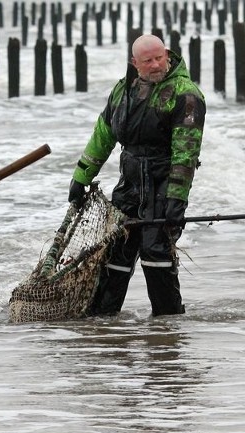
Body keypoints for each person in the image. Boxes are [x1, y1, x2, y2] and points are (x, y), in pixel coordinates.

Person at [67, 34, 206, 317]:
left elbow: (185, 154)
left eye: (159, 58)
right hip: (129, 185)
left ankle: (168, 328)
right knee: (115, 252)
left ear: (167, 54)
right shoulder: (123, 92)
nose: (156, 65)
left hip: (164, 183)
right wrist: (80, 177)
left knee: (156, 253)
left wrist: (176, 199)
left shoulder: (186, 94)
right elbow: (102, 136)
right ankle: (102, 324)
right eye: (148, 61)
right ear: (135, 63)